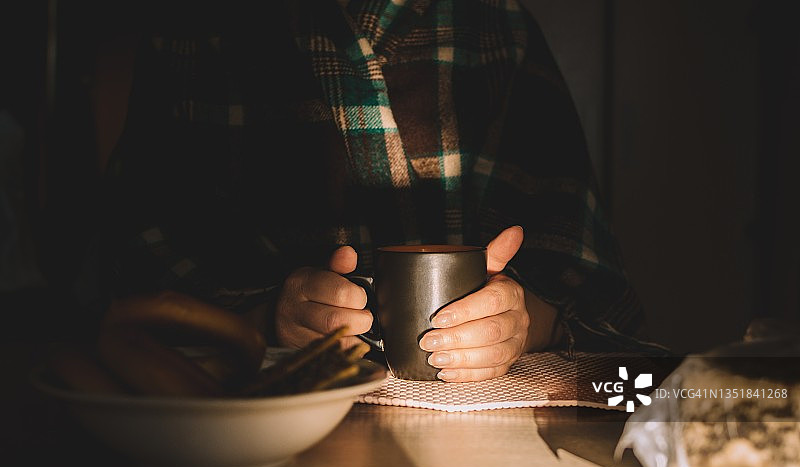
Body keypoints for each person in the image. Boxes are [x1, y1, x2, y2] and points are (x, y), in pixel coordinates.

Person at [101, 0, 668, 383]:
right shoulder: (191, 33)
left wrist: (524, 320)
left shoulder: (495, 26)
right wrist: (265, 318)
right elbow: (127, 288)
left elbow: (595, 303)